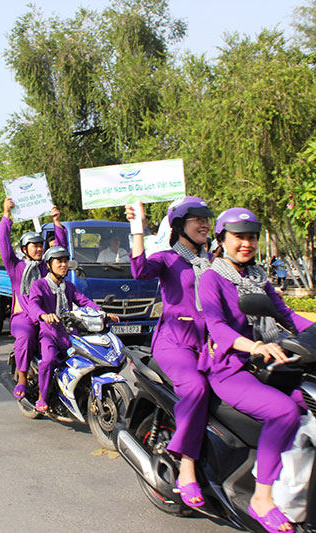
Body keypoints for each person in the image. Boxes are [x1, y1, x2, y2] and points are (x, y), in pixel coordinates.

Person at [198, 208, 313, 533]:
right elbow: (217, 328)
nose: (246, 244)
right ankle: (261, 498)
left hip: (268, 363)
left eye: (251, 237)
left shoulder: (257, 277)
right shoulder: (212, 278)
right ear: (221, 240)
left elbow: (286, 315)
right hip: (230, 368)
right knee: (284, 412)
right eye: (239, 237)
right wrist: (255, 347)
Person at [126, 196, 213, 508]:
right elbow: (139, 270)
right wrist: (138, 226)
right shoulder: (167, 259)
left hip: (211, 345)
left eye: (207, 218)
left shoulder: (215, 261)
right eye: (196, 219)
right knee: (196, 387)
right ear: (179, 227)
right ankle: (186, 464)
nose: (204, 224)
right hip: (175, 343)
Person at [27, 246, 118, 412]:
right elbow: (33, 304)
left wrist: (103, 313)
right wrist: (43, 315)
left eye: (65, 261)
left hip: (69, 333)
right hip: (49, 334)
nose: (63, 265)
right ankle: (42, 396)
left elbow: (84, 301)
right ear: (48, 265)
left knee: (89, 356)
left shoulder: (68, 286)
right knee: (48, 361)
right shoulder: (39, 285)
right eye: (59, 261)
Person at [0, 197, 67, 399]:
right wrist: (6, 215)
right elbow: (3, 243)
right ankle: (21, 378)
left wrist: (56, 222)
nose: (39, 249)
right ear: (24, 250)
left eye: (40, 245)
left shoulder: (47, 267)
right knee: (27, 336)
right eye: (34, 246)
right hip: (24, 318)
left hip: (48, 316)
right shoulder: (15, 266)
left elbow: (61, 253)